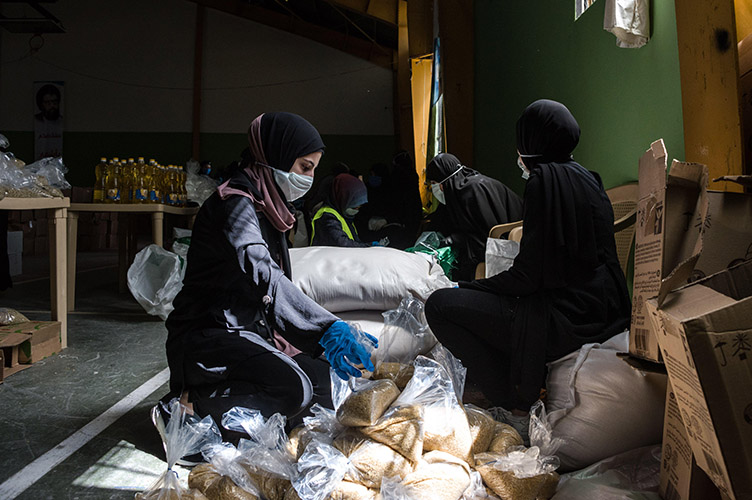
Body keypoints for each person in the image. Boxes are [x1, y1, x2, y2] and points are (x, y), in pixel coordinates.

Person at [157, 112, 377, 451]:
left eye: (314, 169)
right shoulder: (237, 204)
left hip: (248, 329)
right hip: (209, 334)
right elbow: (262, 273)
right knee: (294, 390)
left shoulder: (267, 203)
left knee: (323, 384)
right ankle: (187, 407)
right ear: (276, 155)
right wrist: (325, 327)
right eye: (304, 167)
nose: (309, 177)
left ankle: (242, 411)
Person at [424, 99, 631, 439]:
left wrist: (473, 287)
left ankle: (511, 402)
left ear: (530, 140)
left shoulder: (543, 182)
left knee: (441, 305)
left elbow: (529, 276)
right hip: (599, 310)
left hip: (560, 317)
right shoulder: (588, 178)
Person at [425, 153, 523, 281]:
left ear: (443, 183)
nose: (435, 188)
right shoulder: (459, 191)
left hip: (509, 250)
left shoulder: (472, 191)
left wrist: (456, 239)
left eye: (434, 183)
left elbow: (486, 235)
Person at [310, 173, 371, 247]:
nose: (357, 210)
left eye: (359, 207)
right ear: (343, 198)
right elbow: (342, 243)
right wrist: (369, 247)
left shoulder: (343, 215)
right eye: (354, 206)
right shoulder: (327, 216)